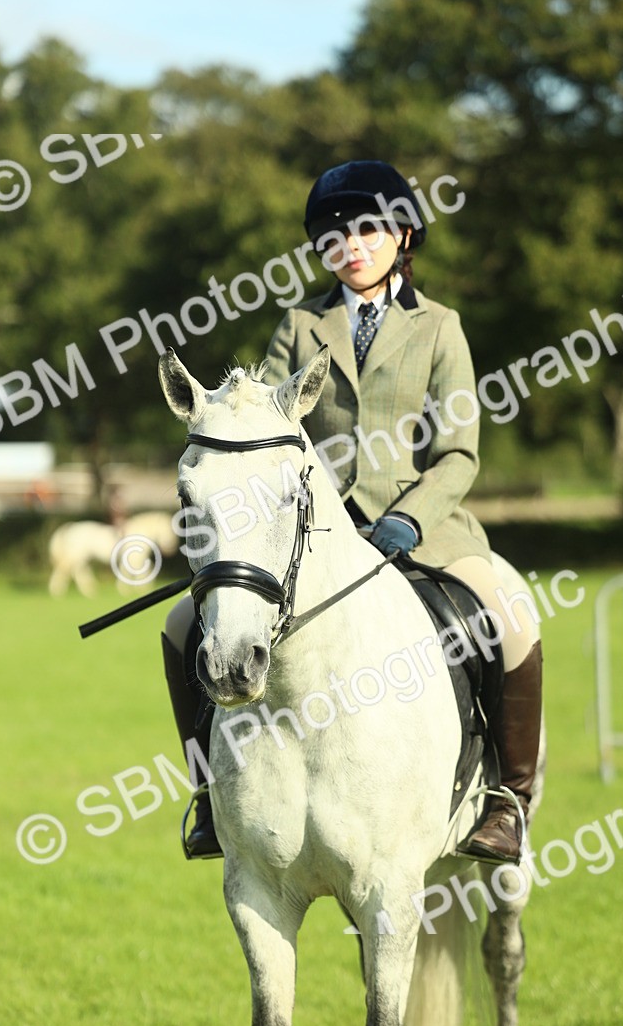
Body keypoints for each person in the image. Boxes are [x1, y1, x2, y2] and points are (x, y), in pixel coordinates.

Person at [162, 160, 542, 866]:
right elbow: (265, 422)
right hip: (319, 536)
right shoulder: (301, 325)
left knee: (509, 617)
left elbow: (459, 454)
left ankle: (507, 800)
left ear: (403, 235)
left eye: (367, 229)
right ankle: (213, 797)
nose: (352, 245)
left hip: (425, 531)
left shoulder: (440, 328)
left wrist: (408, 518)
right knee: (182, 622)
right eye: (334, 235)